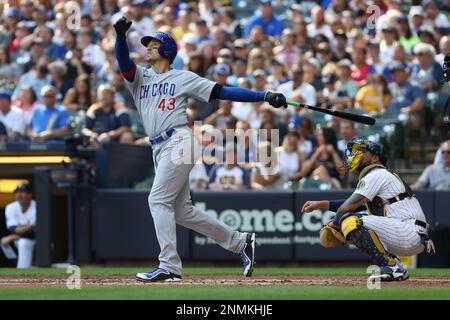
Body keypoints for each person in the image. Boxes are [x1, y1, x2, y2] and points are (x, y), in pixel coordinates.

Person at [113, 17, 287, 282]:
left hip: (179, 140)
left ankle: (169, 266)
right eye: (146, 45)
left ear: (167, 51)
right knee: (182, 211)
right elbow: (123, 62)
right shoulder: (140, 78)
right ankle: (240, 242)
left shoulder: (182, 77)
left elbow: (223, 91)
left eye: (153, 45)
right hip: (158, 147)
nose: (147, 48)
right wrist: (120, 36)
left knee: (157, 200)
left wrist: (263, 96)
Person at [301, 137, 433, 281]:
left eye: (363, 152)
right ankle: (396, 267)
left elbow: (348, 207)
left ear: (375, 158)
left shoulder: (376, 173)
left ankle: (392, 267)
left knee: (351, 222)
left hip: (408, 232)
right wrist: (321, 204)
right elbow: (353, 205)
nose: (356, 154)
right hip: (409, 233)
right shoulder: (379, 176)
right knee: (351, 219)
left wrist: (335, 222)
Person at [0, 182, 36, 269]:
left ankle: (22, 272)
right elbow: (13, 229)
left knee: (24, 243)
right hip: (19, 238)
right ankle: (13, 266)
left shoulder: (37, 206)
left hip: (39, 239)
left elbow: (34, 231)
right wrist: (26, 228)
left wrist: (13, 236)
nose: (19, 195)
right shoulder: (11, 207)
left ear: (30, 195)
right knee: (4, 242)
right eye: (17, 192)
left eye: (22, 192)